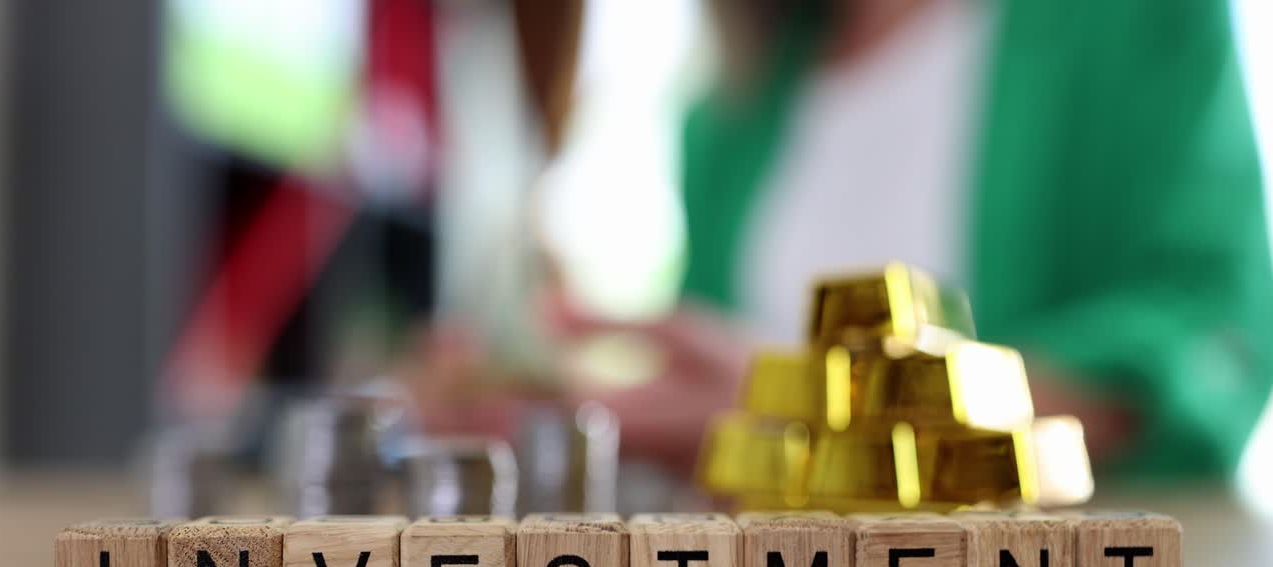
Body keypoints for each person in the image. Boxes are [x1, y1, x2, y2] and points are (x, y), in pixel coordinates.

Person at [415, 0, 1273, 482]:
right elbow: (728, 387)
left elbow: (1212, 348)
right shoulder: (729, 111)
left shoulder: (1144, 23)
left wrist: (833, 409)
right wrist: (566, 402)